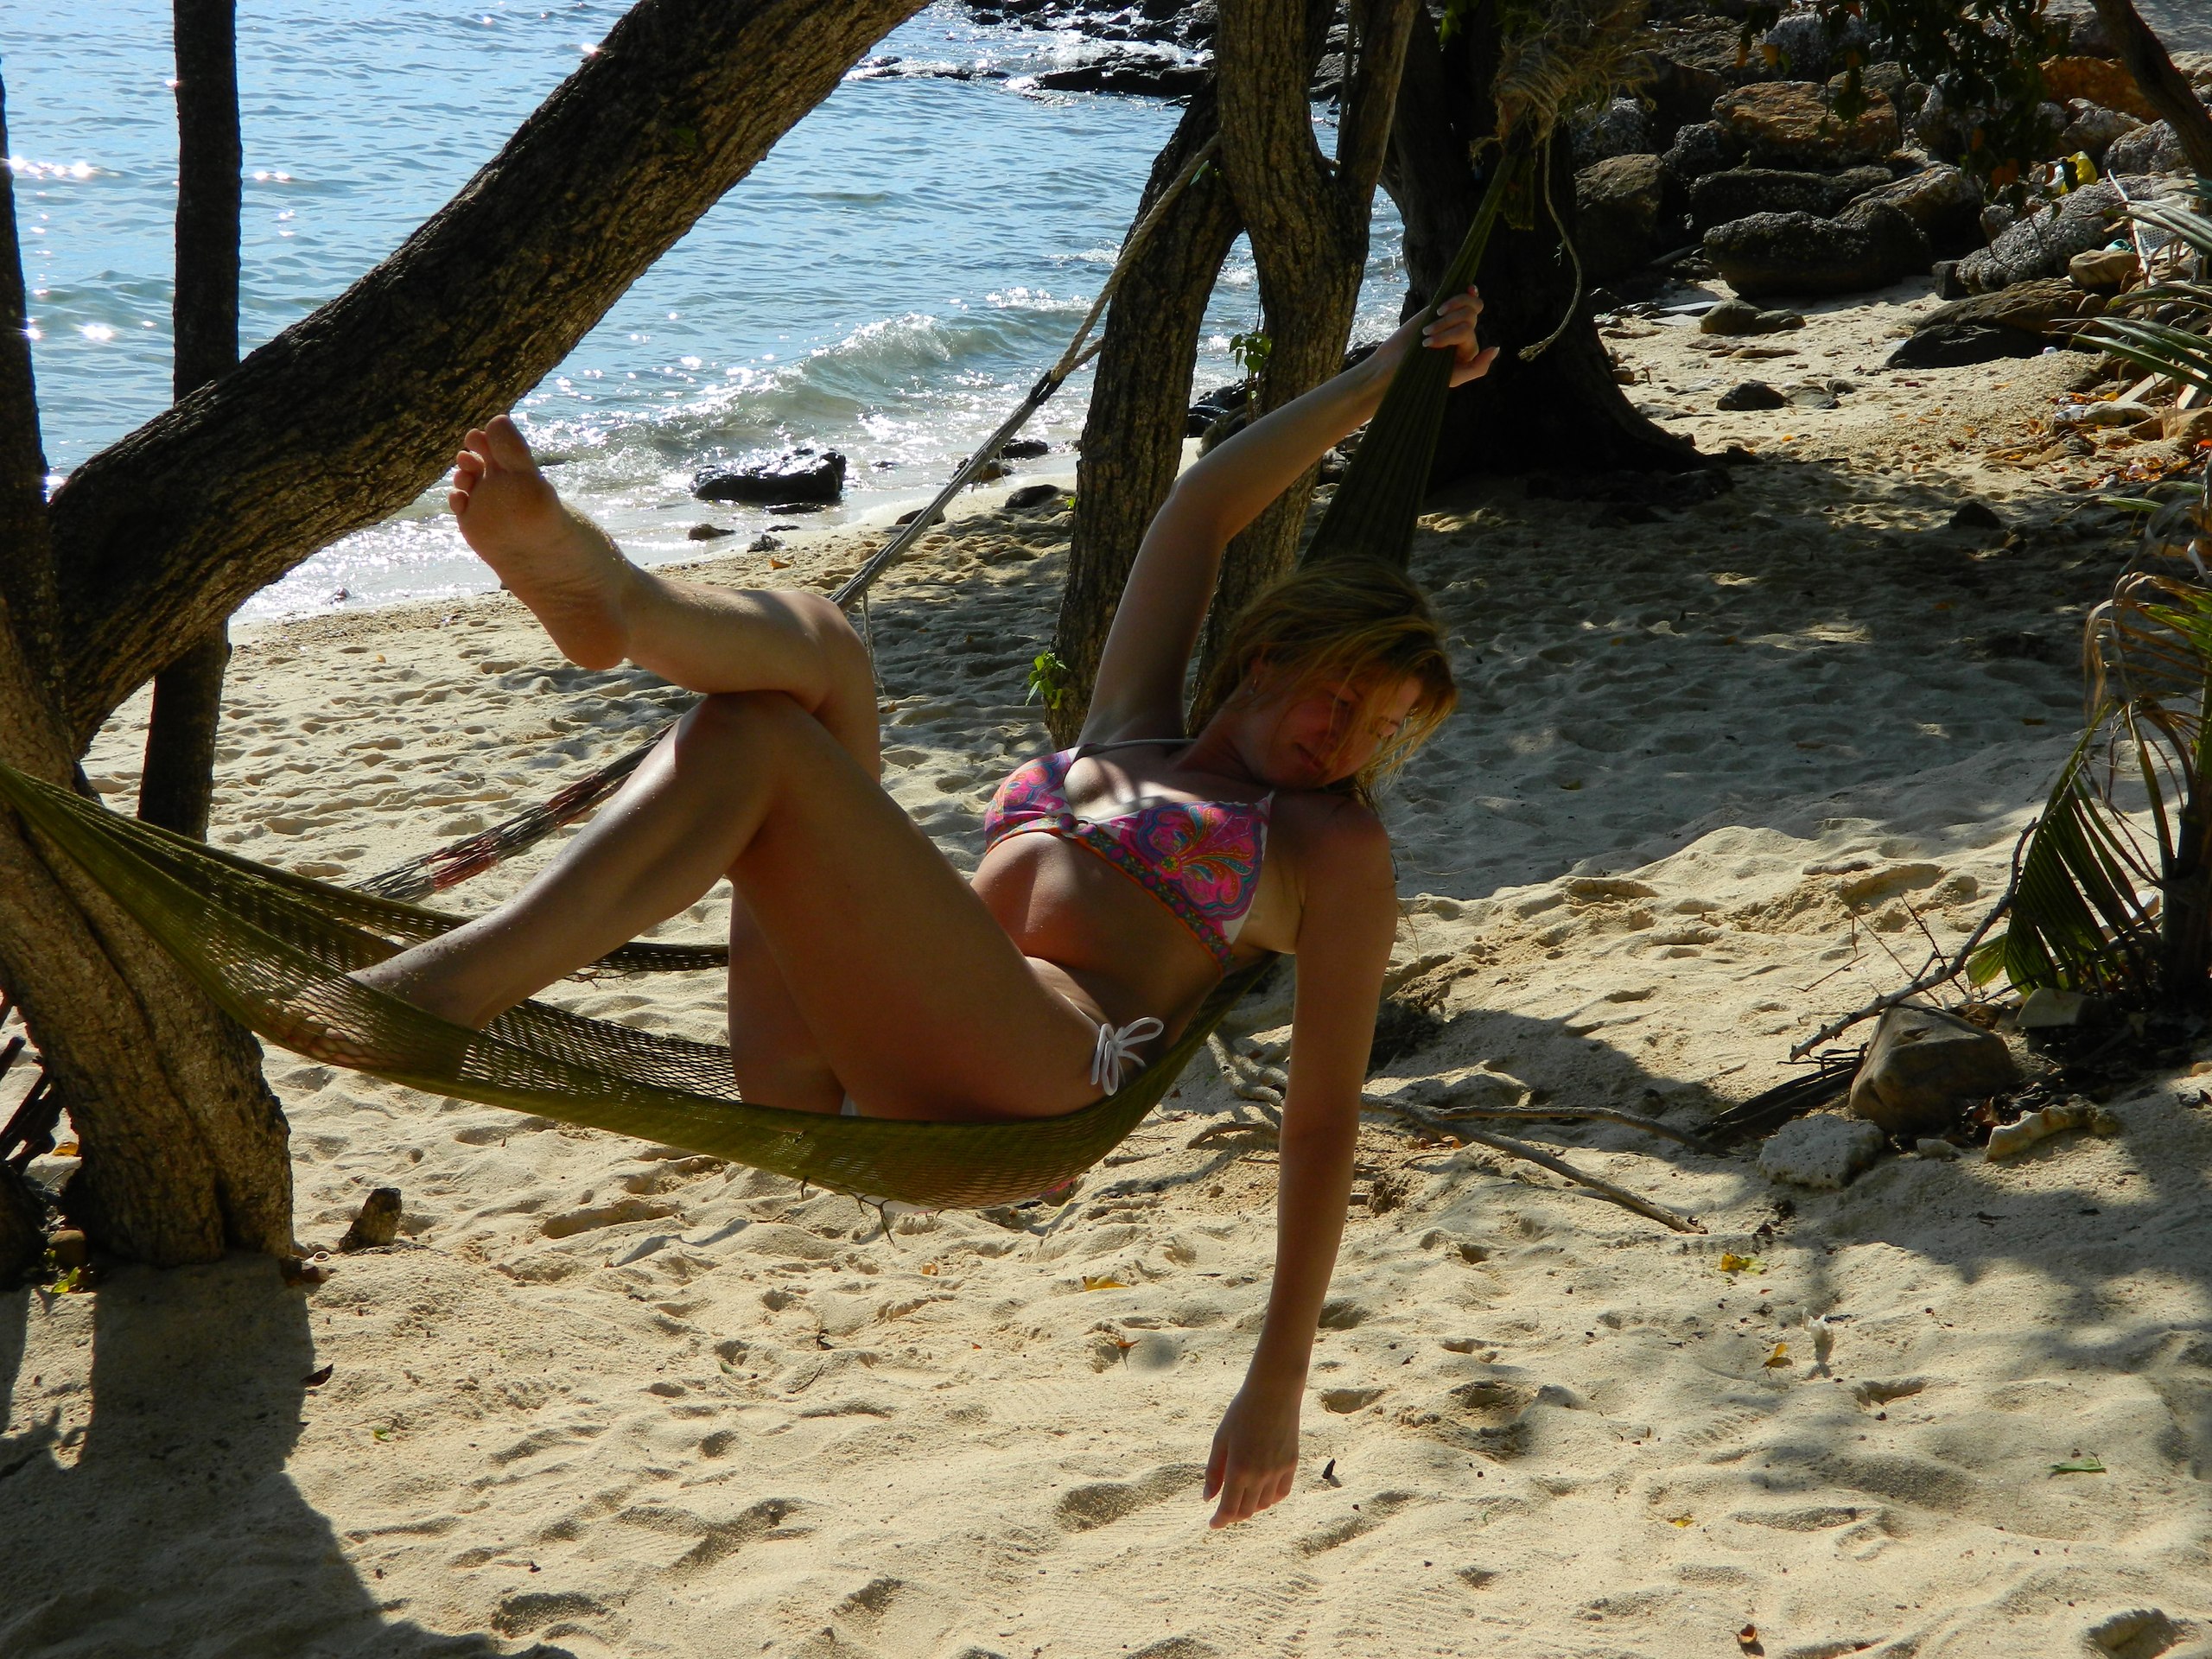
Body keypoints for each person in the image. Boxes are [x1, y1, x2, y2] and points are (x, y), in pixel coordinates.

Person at [358, 287, 1497, 1527]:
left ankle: (444, 990)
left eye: (1384, 731)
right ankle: (618, 607)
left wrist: (1277, 1381)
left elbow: (1323, 1123)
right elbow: (1200, 508)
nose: (1348, 742)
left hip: (1032, 1088)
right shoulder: (1130, 724)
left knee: (770, 744)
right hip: (834, 1069)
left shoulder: (1326, 845)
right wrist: (1378, 379)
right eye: (1344, 698)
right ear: (1270, 657)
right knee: (812, 656)